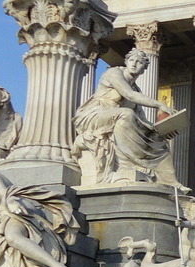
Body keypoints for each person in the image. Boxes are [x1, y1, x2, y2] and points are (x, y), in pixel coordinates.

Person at [71, 48, 187, 191]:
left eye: (139, 62)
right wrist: (159, 104)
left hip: (117, 117)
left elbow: (143, 121)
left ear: (143, 69)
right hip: (94, 116)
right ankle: (126, 164)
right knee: (126, 114)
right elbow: (128, 95)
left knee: (159, 141)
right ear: (126, 61)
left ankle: (171, 182)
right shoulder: (114, 73)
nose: (134, 64)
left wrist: (162, 131)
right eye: (131, 60)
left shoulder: (137, 90)